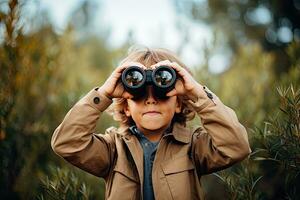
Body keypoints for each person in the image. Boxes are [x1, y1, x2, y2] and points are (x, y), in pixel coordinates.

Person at [51, 46, 251, 200]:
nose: (151, 99)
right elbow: (67, 143)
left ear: (179, 103)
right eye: (138, 94)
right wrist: (103, 94)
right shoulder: (113, 149)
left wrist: (197, 92)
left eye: (163, 90)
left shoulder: (194, 146)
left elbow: (237, 147)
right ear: (126, 107)